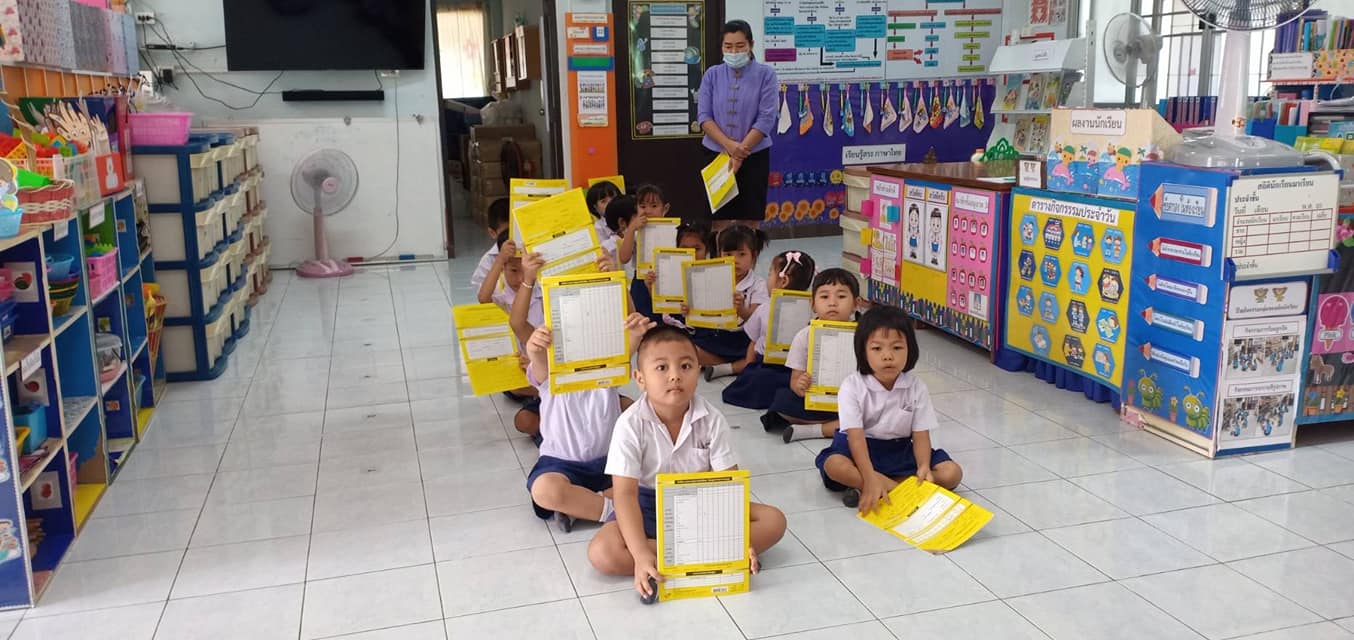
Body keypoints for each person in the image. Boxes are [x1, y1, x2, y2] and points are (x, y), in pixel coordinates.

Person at [587, 325, 786, 599]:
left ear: (698, 371)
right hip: (645, 505)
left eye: (685, 366)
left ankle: (686, 553)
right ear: (640, 378)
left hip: (701, 504)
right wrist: (641, 553)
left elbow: (727, 486)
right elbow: (624, 495)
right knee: (603, 553)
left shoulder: (712, 419)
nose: (675, 376)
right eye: (661, 368)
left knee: (774, 520)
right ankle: (699, 553)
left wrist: (732, 534)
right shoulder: (629, 424)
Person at [519, 300, 653, 532]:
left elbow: (628, 350)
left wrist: (635, 334)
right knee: (544, 490)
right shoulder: (550, 375)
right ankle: (615, 511)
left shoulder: (607, 368)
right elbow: (539, 361)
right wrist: (534, 349)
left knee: (654, 474)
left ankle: (580, 507)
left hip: (610, 462)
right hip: (561, 465)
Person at [815, 306, 963, 512]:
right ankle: (886, 485)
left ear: (910, 350)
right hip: (859, 448)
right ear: (863, 352)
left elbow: (921, 435)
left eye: (897, 348)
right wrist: (868, 475)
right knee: (835, 465)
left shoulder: (916, 387)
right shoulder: (852, 386)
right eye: (877, 349)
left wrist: (923, 467)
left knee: (952, 473)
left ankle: (876, 486)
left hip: (900, 449)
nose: (887, 356)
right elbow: (855, 438)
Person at [696, 20, 779, 230]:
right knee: (718, 219)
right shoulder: (712, 74)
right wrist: (731, 147)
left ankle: (748, 253)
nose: (734, 52)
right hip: (716, 155)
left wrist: (740, 153)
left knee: (750, 219)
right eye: (728, 46)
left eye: (740, 46)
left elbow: (766, 118)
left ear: (751, 45)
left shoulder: (766, 75)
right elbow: (704, 117)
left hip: (754, 156)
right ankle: (719, 253)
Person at [763, 268, 861, 442]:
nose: (832, 303)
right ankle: (836, 427)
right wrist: (799, 386)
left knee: (878, 412)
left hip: (852, 402)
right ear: (812, 304)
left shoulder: (865, 335)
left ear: (856, 303)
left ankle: (813, 430)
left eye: (841, 296)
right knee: (782, 400)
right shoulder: (804, 336)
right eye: (824, 297)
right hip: (816, 401)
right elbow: (795, 378)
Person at [722, 250, 816, 409]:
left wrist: (748, 369)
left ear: (783, 281)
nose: (768, 279)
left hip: (769, 366)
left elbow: (753, 342)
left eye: (770, 274)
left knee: (756, 379)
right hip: (796, 370)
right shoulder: (812, 309)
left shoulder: (766, 308)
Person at [694, 225, 770, 379]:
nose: (735, 260)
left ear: (753, 256)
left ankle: (728, 368)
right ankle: (730, 365)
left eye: (742, 254)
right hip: (716, 334)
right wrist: (690, 311)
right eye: (728, 254)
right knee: (687, 348)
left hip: (742, 338)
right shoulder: (713, 279)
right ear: (719, 254)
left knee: (758, 353)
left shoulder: (759, 285)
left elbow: (756, 319)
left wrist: (741, 309)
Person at [469, 198, 511, 293]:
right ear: (492, 233)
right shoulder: (489, 260)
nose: (513, 238)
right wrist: (500, 261)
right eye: (507, 233)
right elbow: (481, 293)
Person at [587, 180, 623, 257]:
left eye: (613, 198)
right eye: (603, 201)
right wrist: (620, 236)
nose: (610, 203)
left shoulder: (630, 217)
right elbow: (602, 249)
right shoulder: (598, 227)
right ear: (595, 208)